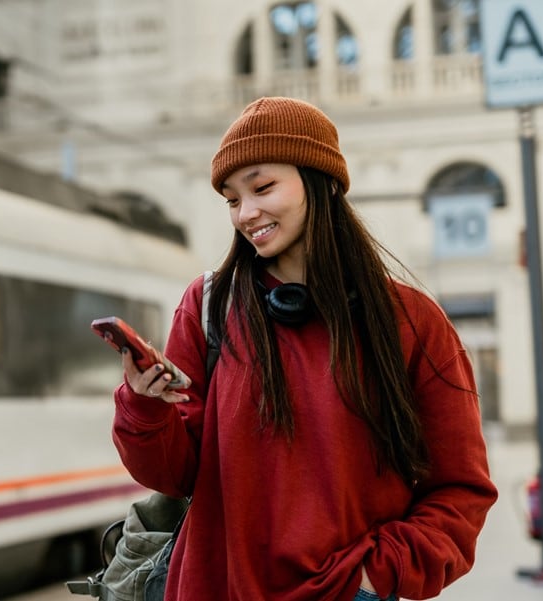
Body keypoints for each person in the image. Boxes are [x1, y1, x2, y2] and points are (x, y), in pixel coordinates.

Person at [112, 97, 498, 601]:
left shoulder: (413, 322)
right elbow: (173, 474)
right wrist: (144, 406)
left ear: (322, 181)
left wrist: (377, 573)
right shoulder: (208, 306)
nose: (247, 213)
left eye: (263, 187)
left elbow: (461, 489)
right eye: (231, 199)